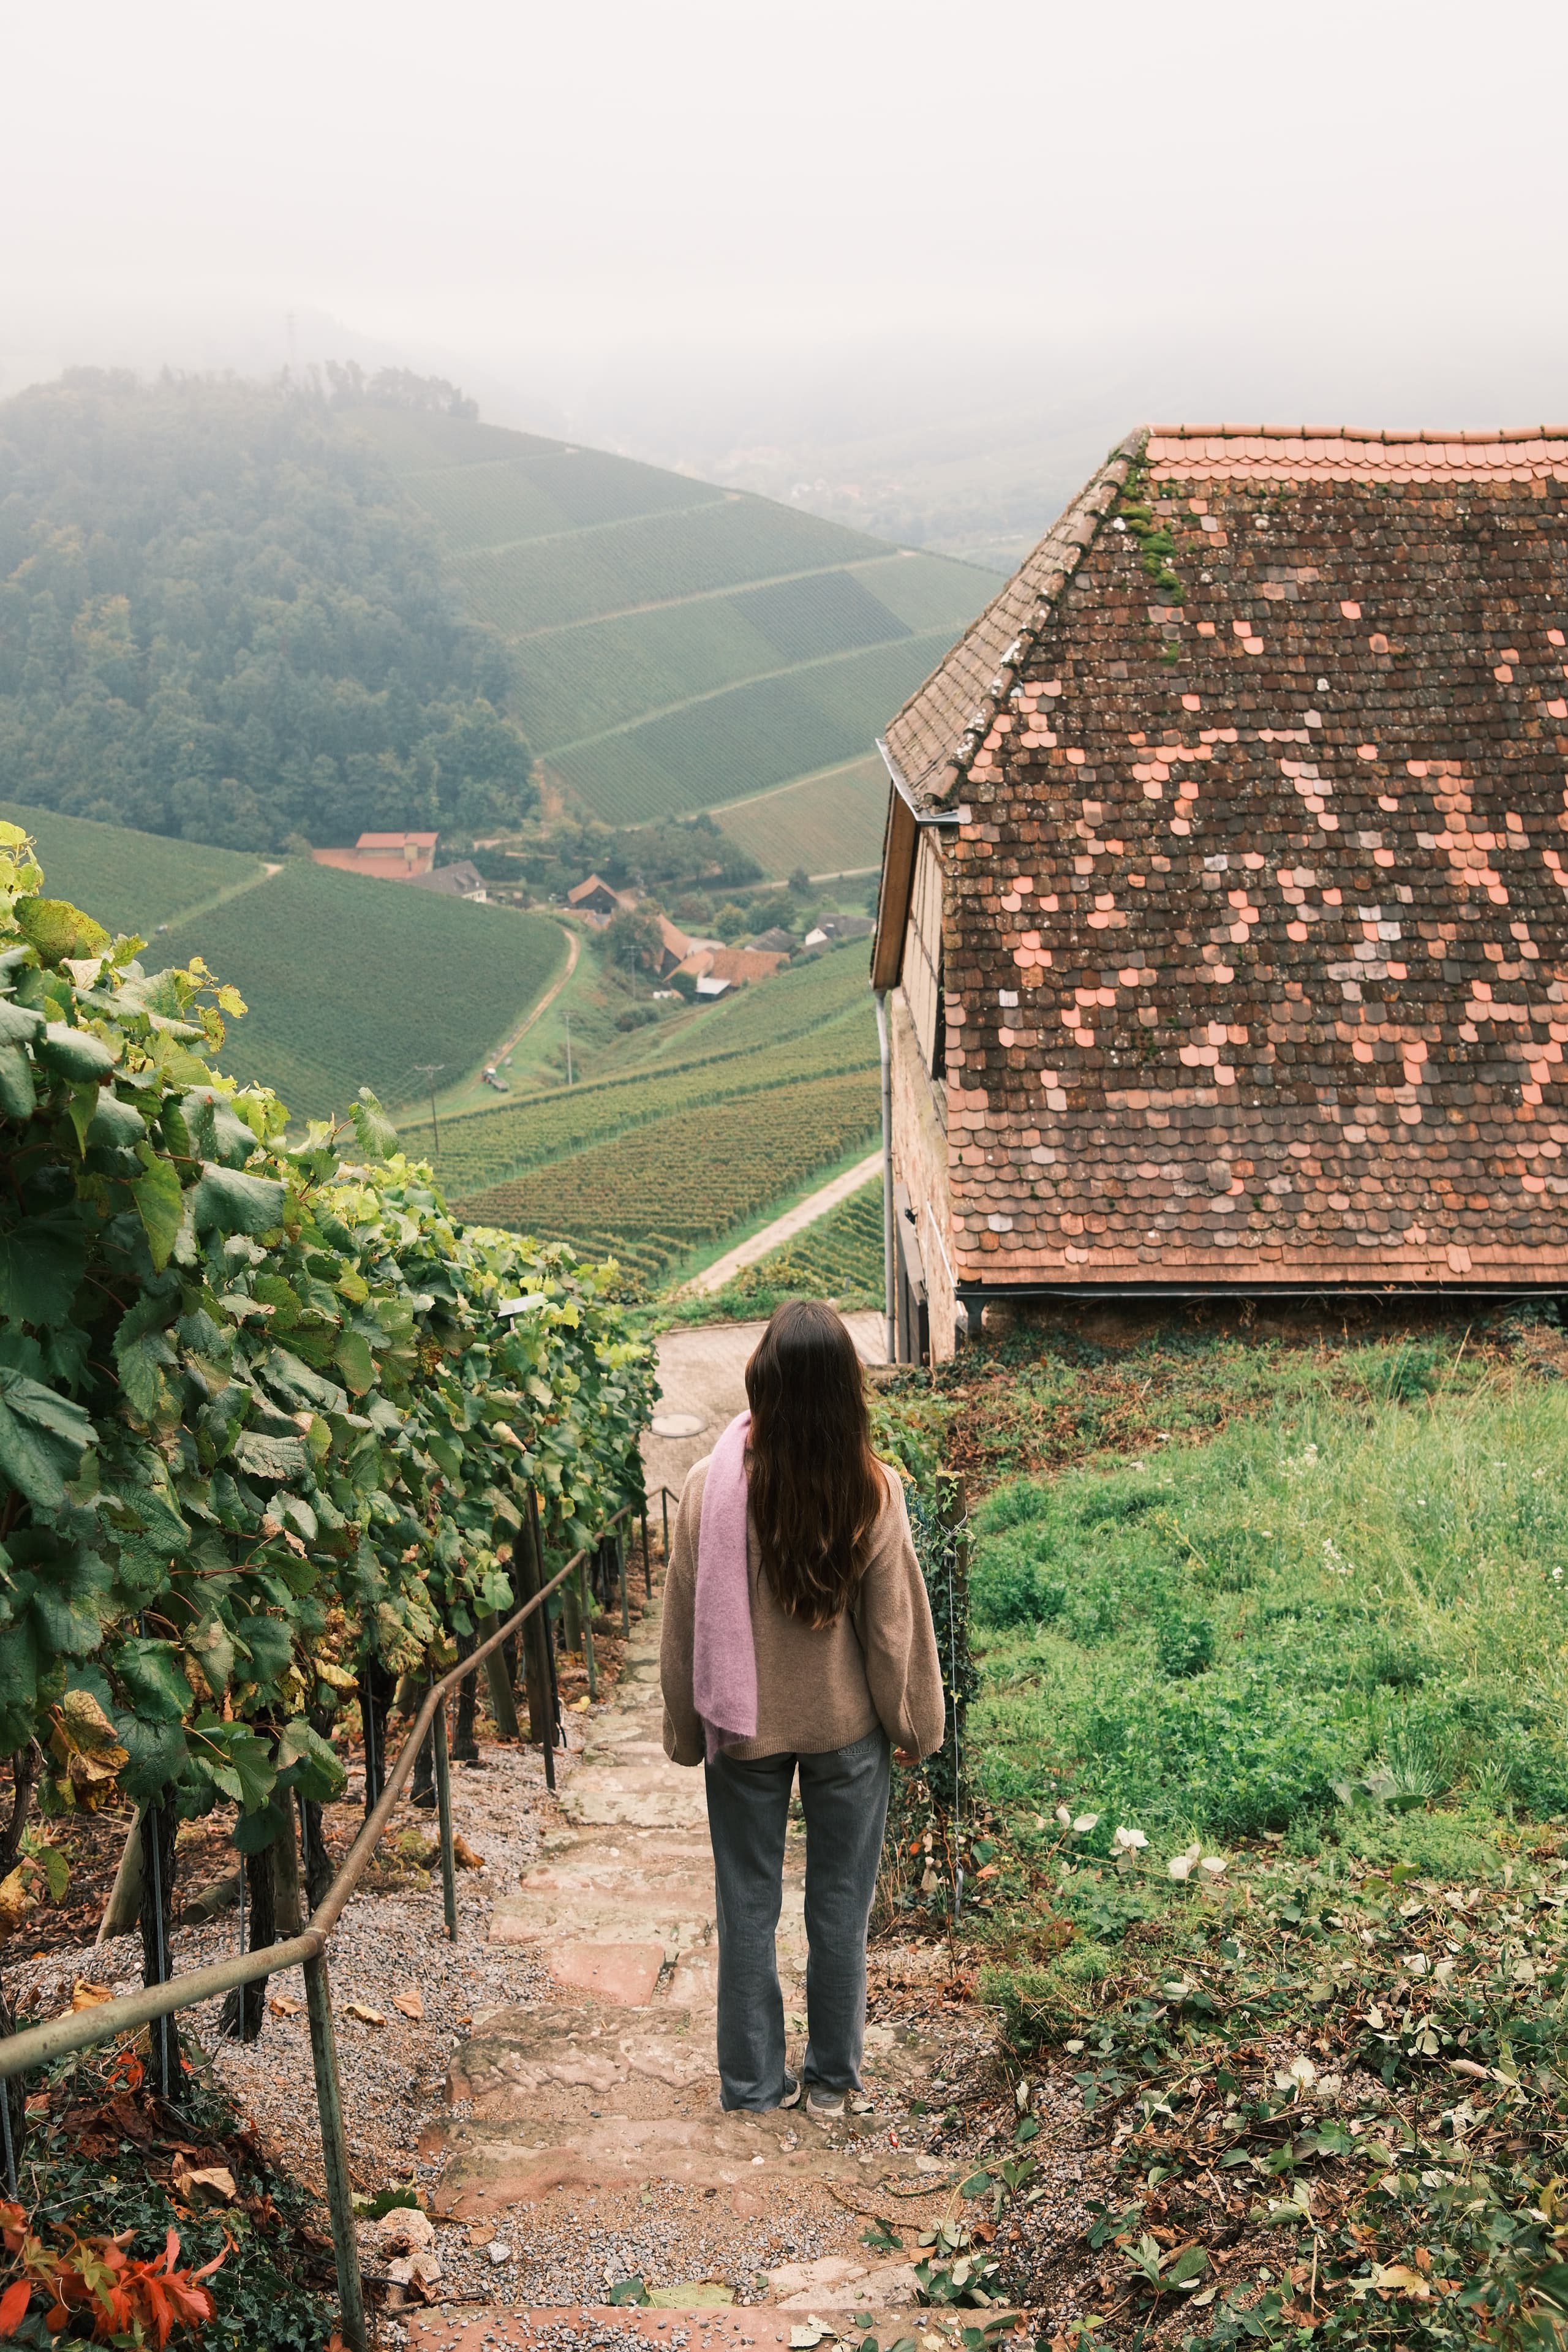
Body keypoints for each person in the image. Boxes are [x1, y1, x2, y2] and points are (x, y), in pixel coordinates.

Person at [660, 1300, 945, 2119]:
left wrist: (687, 1731)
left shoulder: (707, 1488)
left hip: (744, 1735)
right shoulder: (871, 1488)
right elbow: (892, 1631)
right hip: (845, 1731)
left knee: (746, 1908)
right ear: (846, 1392)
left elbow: (684, 1625)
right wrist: (915, 1727)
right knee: (839, 1910)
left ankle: (750, 2089)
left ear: (764, 1380)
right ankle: (830, 2083)